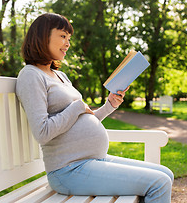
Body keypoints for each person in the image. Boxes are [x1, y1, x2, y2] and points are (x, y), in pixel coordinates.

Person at [16, 13, 173, 203]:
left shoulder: (60, 76)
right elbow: (42, 132)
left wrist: (109, 106)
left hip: (90, 162)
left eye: (69, 38)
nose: (68, 43)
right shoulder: (31, 75)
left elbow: (83, 118)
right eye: (63, 36)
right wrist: (76, 108)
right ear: (42, 36)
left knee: (166, 174)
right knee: (159, 183)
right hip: (68, 170)